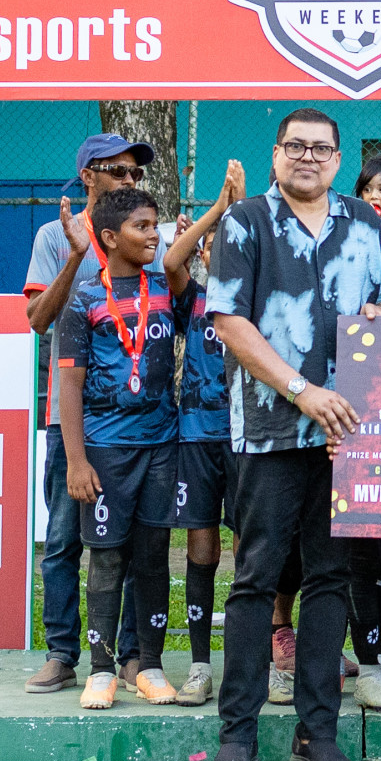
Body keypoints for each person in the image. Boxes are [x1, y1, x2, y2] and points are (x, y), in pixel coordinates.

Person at [206, 107, 381, 761]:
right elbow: (229, 321)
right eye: (296, 147)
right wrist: (300, 390)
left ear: (339, 159)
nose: (307, 158)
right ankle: (238, 735)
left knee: (329, 582)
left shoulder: (364, 223)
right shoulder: (246, 222)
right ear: (276, 154)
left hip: (344, 433)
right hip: (267, 430)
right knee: (257, 580)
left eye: (321, 148)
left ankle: (317, 733)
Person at [22, 133, 159, 695]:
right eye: (117, 172)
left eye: (134, 174)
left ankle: (128, 657)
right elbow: (36, 318)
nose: (129, 181)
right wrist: (77, 255)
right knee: (63, 541)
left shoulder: (143, 233)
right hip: (71, 417)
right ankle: (62, 653)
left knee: (132, 543)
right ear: (88, 177)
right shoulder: (56, 235)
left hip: (136, 422)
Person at [57, 187, 190, 710]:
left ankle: (151, 665)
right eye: (142, 226)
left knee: (155, 557)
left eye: (156, 225)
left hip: (161, 444)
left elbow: (193, 286)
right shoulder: (85, 301)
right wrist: (76, 460)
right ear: (110, 238)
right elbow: (69, 387)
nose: (153, 235)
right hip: (105, 449)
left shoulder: (166, 289)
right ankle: (101, 668)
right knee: (107, 557)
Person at [164, 161, 247, 706]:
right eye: (211, 243)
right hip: (196, 437)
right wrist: (217, 209)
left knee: (252, 548)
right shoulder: (190, 295)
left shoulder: (251, 297)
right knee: (201, 545)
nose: (218, 248)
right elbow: (170, 258)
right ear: (203, 251)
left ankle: (253, 659)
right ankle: (199, 665)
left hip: (247, 437)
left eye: (227, 241)